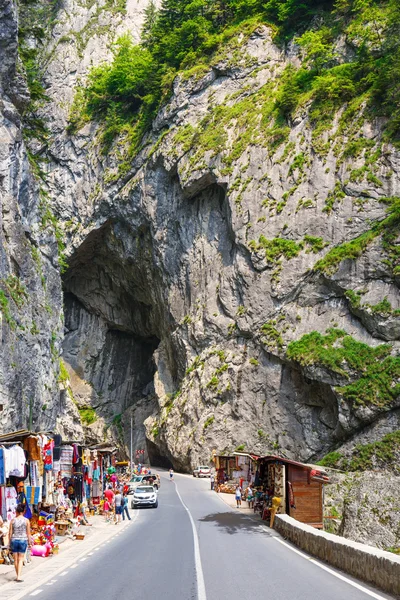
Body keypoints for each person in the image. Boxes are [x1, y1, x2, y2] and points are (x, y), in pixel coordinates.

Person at [9, 504, 31, 582]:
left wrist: (9, 543)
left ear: (17, 511)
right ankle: (19, 576)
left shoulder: (13, 520)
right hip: (23, 540)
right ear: (23, 511)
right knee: (20, 559)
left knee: (15, 559)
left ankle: (17, 575)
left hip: (14, 540)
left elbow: (10, 533)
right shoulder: (26, 520)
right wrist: (30, 542)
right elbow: (28, 533)